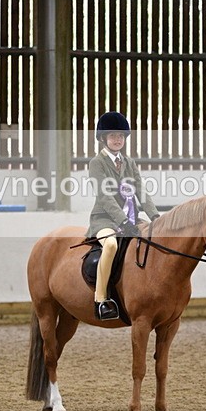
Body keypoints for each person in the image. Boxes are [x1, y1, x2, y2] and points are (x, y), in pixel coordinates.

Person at [87, 112, 159, 320]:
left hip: (132, 218)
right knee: (110, 245)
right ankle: (101, 300)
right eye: (112, 136)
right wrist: (123, 222)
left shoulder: (129, 162)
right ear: (103, 138)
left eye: (121, 136)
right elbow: (105, 196)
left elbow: (141, 191)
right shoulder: (97, 163)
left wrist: (155, 216)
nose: (117, 140)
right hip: (105, 219)